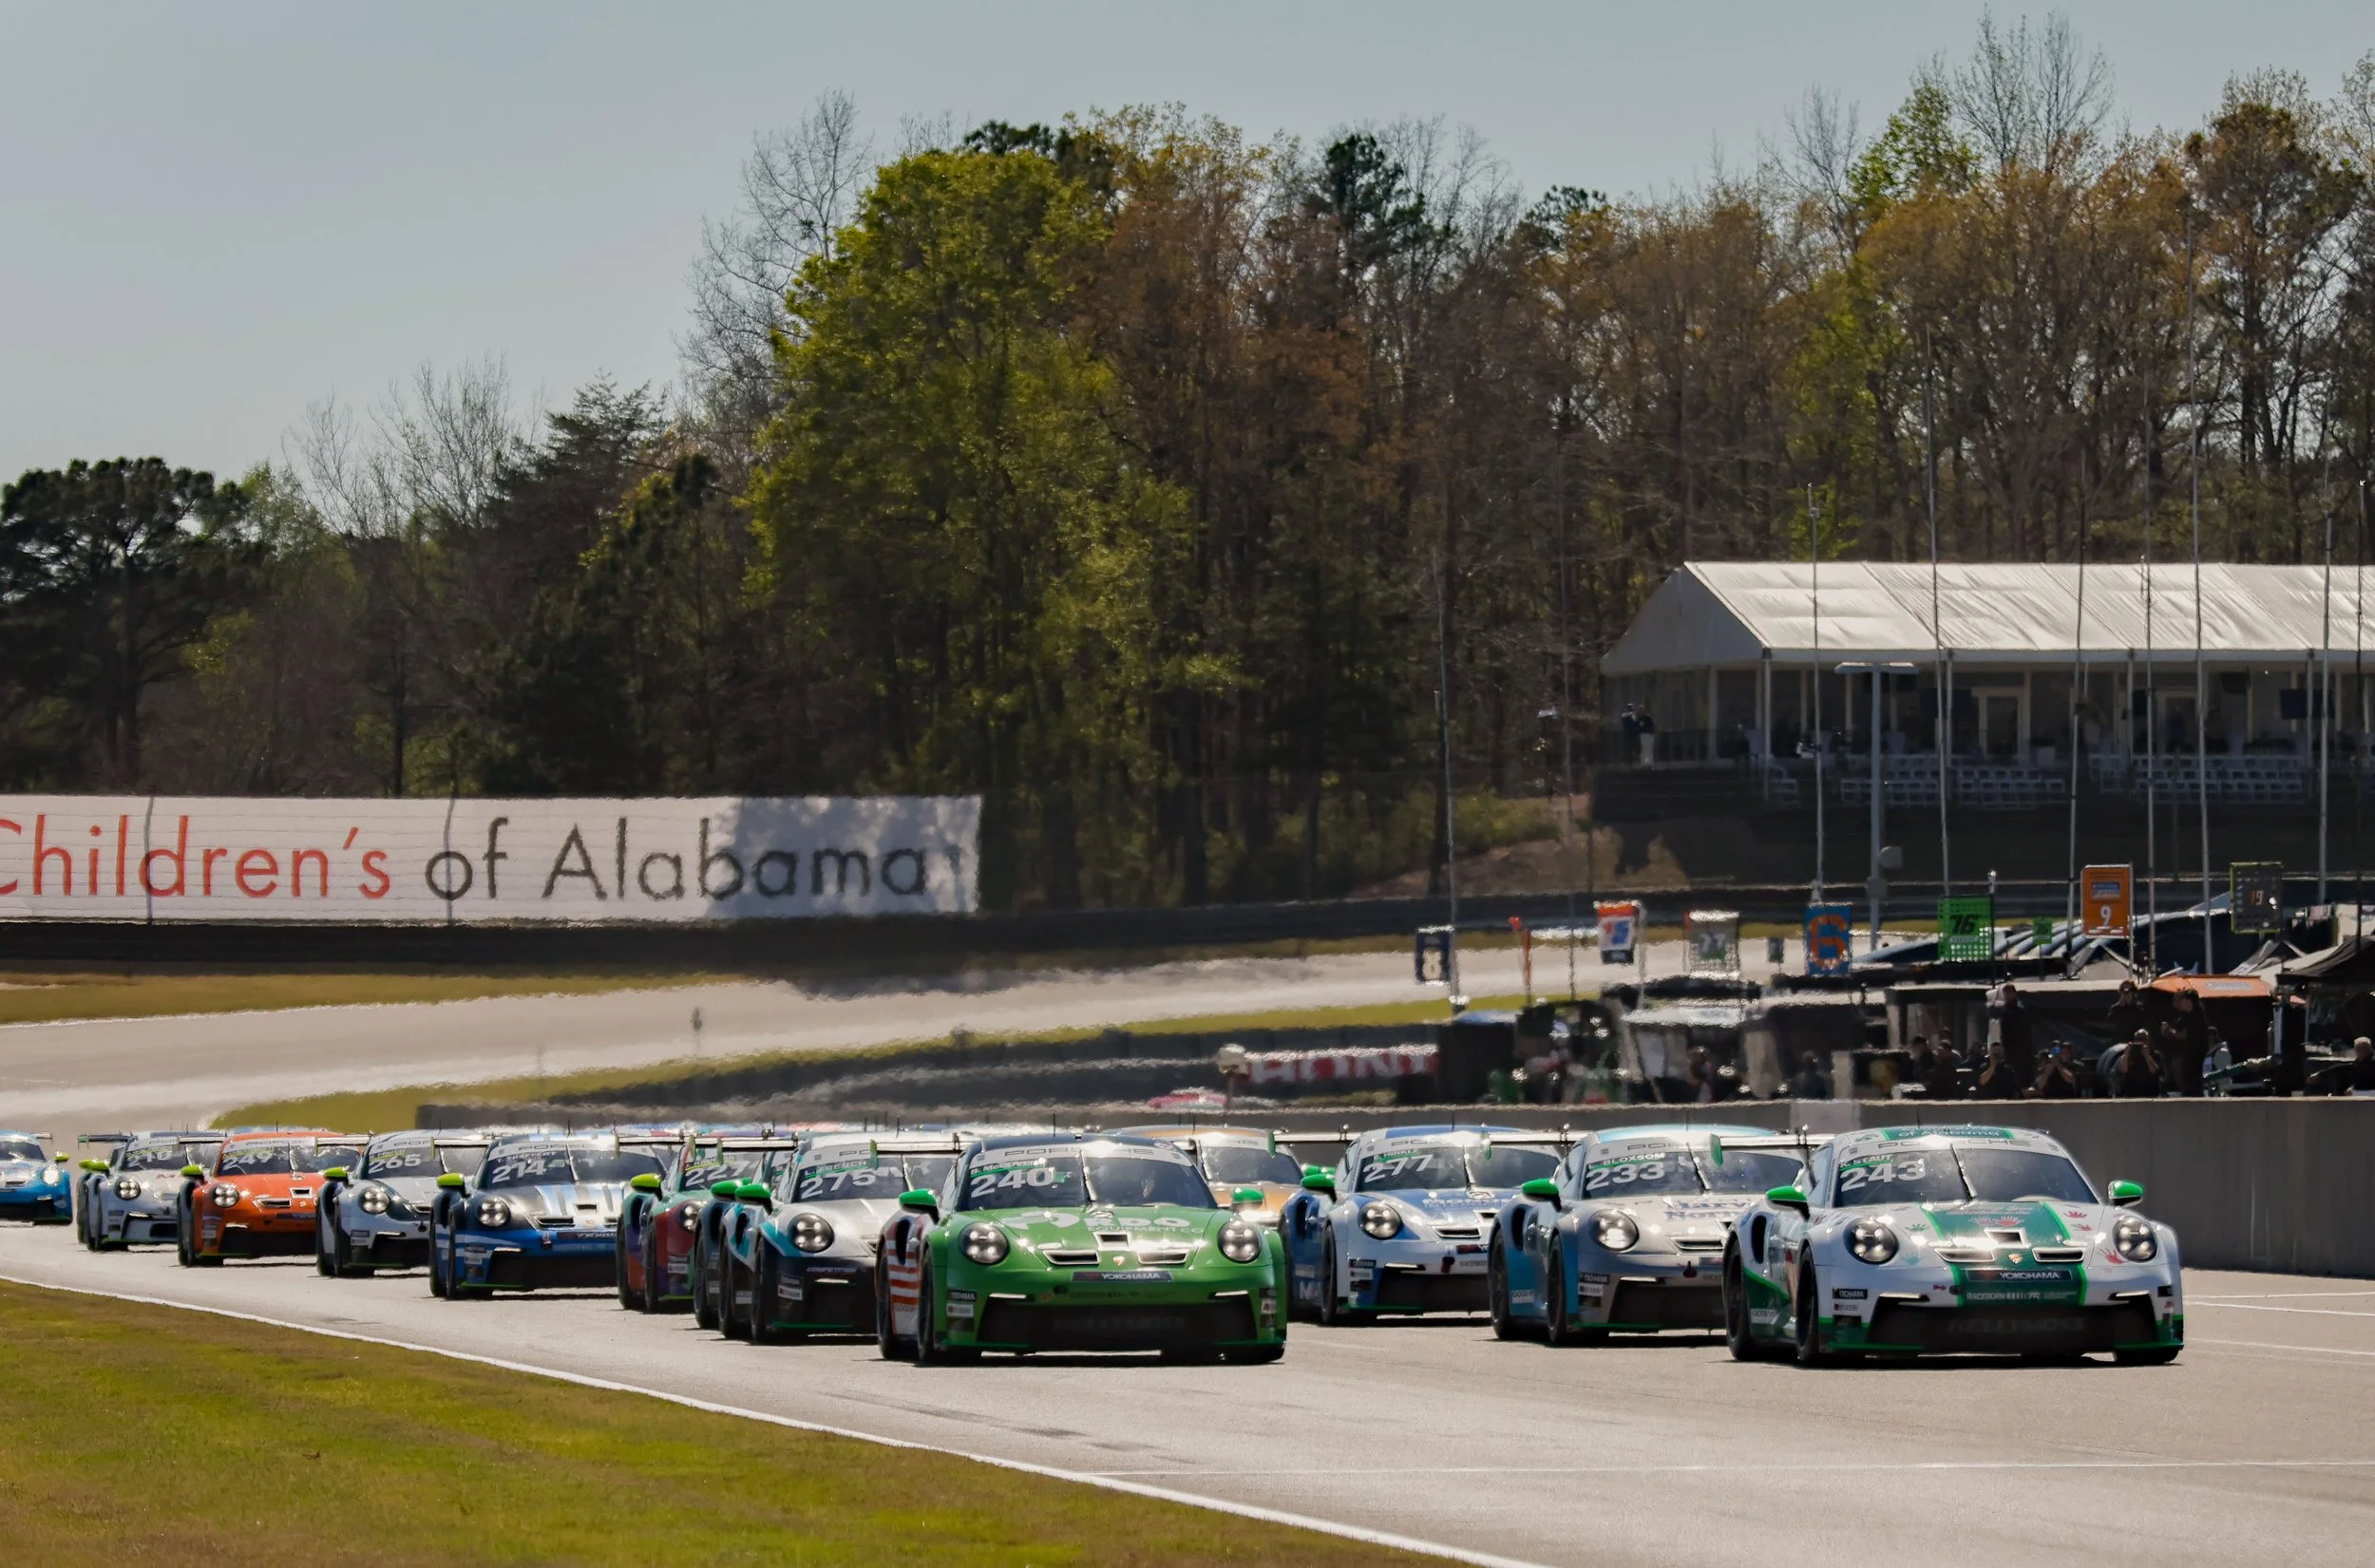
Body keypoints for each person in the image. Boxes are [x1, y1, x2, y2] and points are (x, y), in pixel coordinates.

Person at [2159, 988, 2209, 1096]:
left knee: (2194, 1081)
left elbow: (2184, 1035)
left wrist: (2170, 1031)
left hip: (2196, 1055)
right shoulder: (2185, 1016)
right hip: (2187, 1054)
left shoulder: (2197, 1016)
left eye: (2182, 1000)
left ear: (2189, 1001)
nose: (2180, 1003)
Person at [1995, 983, 2036, 1081]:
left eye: (2009, 993)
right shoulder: (2004, 1012)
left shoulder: (2021, 1011)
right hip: (2008, 1051)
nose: (2007, 996)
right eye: (2005, 993)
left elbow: (2025, 1032)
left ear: (2014, 994)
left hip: (2020, 1051)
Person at [2117, 1030, 2165, 1098]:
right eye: (2138, 1039)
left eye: (2143, 1039)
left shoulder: (2155, 1054)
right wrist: (2126, 1055)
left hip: (2150, 1091)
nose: (2141, 1041)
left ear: (2148, 1041)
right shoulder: (2129, 1054)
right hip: (2132, 1092)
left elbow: (2154, 1071)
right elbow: (2123, 1070)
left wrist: (2147, 1056)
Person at [2106, 978, 2148, 1046]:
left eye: (2129, 990)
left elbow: (2143, 1022)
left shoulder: (2140, 1008)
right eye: (2124, 990)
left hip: (2135, 1042)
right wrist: (2119, 1005)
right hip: (2119, 1043)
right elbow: (2110, 1022)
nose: (2127, 993)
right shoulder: (2116, 1008)